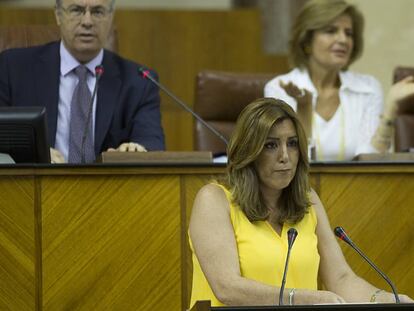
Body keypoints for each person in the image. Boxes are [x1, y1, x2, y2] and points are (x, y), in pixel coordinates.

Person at [188, 98, 413, 307]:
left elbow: (341, 279)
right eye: (271, 145)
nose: (285, 155)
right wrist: (303, 298)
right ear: (249, 151)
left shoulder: (307, 200)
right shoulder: (214, 200)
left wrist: (384, 299)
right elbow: (227, 288)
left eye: (293, 143)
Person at [0, 0, 165, 164]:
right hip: (37, 186)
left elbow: (152, 142)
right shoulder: (13, 69)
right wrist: (36, 155)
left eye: (98, 11)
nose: (87, 22)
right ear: (58, 14)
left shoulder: (139, 81)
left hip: (109, 187)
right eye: (76, 10)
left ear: (111, 16)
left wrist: (136, 151)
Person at [264, 0, 414, 161]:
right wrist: (304, 108)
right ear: (307, 41)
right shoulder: (278, 89)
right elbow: (287, 161)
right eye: (331, 31)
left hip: (357, 185)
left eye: (348, 33)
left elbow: (371, 162)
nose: (343, 40)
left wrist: (390, 108)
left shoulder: (368, 88)